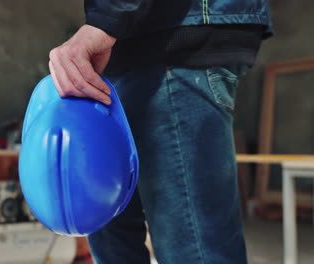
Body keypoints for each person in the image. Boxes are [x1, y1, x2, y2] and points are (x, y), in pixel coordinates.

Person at [48, 1, 272, 263]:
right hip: (131, 43)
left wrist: (106, 17)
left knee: (192, 249)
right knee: (111, 236)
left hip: (173, 37)